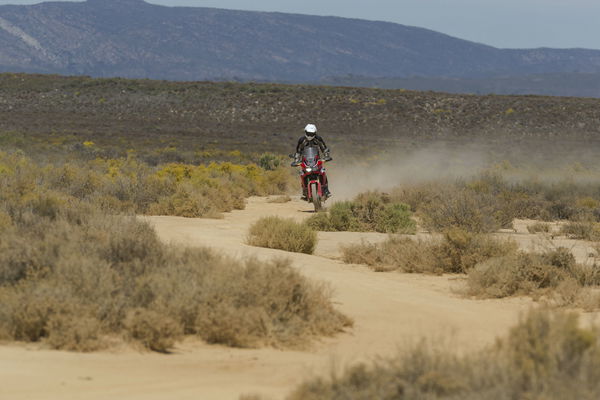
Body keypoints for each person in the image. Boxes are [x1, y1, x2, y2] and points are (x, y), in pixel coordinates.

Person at [292, 124, 332, 199]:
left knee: (322, 172)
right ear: (305, 132)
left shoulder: (318, 139)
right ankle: (304, 191)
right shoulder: (302, 140)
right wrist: (296, 160)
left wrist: (326, 156)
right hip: (306, 161)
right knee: (302, 173)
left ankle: (326, 190)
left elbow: (324, 148)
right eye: (308, 133)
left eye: (312, 134)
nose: (310, 135)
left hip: (316, 160)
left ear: (315, 133)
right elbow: (298, 151)